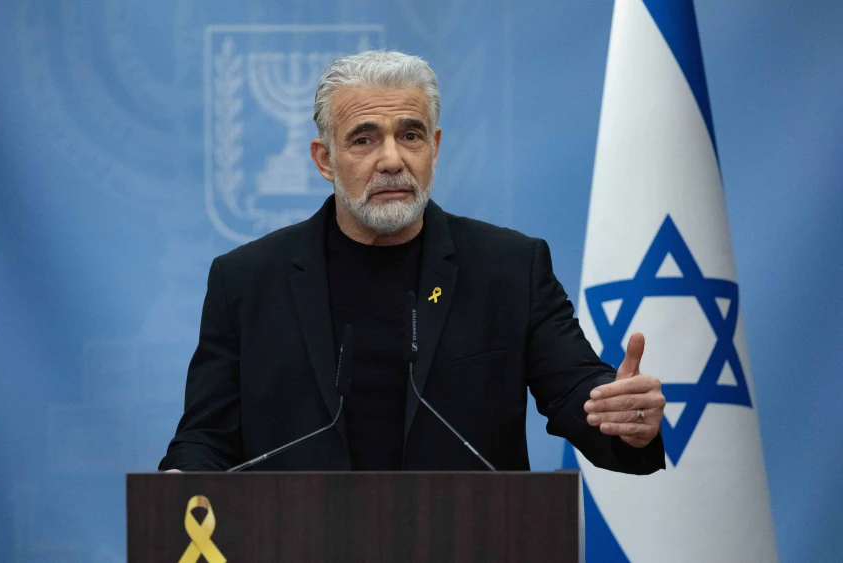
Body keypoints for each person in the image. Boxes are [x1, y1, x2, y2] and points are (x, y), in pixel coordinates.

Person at [159, 50, 665, 473]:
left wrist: (624, 415)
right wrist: (181, 481)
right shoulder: (246, 280)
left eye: (410, 135)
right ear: (325, 159)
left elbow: (577, 392)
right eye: (364, 139)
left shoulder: (511, 268)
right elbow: (206, 437)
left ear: (434, 148)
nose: (392, 160)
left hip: (469, 538)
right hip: (295, 538)